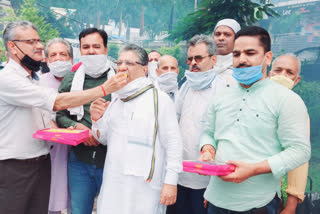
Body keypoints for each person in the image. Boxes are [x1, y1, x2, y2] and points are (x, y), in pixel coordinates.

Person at [0, 21, 126, 214]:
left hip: (42, 161)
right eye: (31, 41)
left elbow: (47, 118)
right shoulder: (8, 80)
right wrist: (103, 90)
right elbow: (58, 104)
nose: (40, 46)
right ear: (12, 47)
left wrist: (69, 129)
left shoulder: (32, 79)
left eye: (39, 40)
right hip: (16, 166)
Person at [199, 26, 311, 214]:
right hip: (216, 200)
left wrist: (253, 169)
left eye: (250, 53)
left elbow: (300, 151)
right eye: (236, 54)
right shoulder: (221, 96)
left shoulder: (287, 99)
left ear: (267, 57)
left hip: (258, 204)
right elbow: (209, 133)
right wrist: (208, 149)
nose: (242, 59)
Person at [90, 44, 183, 214]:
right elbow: (103, 138)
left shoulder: (159, 100)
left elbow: (174, 144)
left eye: (130, 63)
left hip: (144, 186)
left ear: (144, 69)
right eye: (119, 63)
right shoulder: (117, 98)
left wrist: (171, 182)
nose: (123, 67)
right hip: (114, 181)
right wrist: (97, 120)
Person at [56, 27, 115, 214]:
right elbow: (59, 114)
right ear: (80, 50)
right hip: (79, 160)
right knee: (79, 210)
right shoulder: (71, 79)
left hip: (112, 160)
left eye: (96, 46)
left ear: (106, 49)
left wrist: (100, 132)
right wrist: (76, 126)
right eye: (86, 47)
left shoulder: (119, 80)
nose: (91, 51)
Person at [172, 35, 226, 214]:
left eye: (199, 58)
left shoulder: (224, 90)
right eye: (190, 58)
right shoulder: (186, 86)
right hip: (180, 173)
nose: (193, 63)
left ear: (213, 59)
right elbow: (174, 122)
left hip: (207, 180)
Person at [269, 54, 308, 214]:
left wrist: (291, 205)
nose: (282, 76)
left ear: (296, 80)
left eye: (289, 72)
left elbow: (299, 159)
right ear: (270, 74)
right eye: (278, 70)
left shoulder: (296, 107)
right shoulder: (253, 98)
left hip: (268, 194)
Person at [40, 38, 74, 214]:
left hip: (76, 152)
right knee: (49, 197)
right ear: (46, 60)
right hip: (50, 150)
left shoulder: (80, 82)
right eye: (53, 55)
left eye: (63, 54)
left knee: (75, 198)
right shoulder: (39, 83)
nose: (59, 59)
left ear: (71, 59)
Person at [212, 18, 240, 86]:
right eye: (217, 34)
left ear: (236, 39)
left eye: (227, 34)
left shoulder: (241, 67)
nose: (221, 38)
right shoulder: (205, 64)